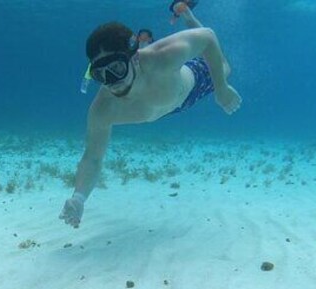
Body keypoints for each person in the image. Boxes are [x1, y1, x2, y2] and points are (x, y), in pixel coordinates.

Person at [60, 0, 241, 228]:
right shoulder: (103, 109)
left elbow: (207, 37)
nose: (111, 83)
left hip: (192, 84)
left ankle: (185, 14)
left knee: (224, 66)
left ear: (134, 57)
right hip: (168, 105)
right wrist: (78, 198)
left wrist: (222, 88)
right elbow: (92, 157)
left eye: (116, 69)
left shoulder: (163, 57)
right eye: (100, 75)